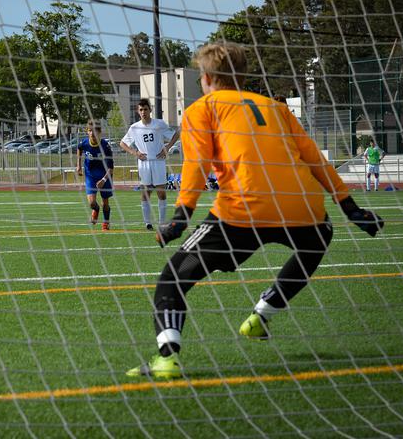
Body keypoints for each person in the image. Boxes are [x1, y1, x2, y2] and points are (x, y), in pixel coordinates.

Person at [127, 43, 384, 380]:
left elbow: (196, 165)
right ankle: (261, 316)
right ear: (242, 75)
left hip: (243, 210)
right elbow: (314, 158)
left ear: (205, 78)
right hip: (302, 207)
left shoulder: (201, 109)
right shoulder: (276, 107)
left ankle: (167, 358)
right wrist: (350, 208)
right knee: (320, 236)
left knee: (172, 280)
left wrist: (180, 217)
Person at [119, 99, 179, 230]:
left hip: (158, 162)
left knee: (161, 193)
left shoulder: (159, 124)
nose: (143, 112)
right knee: (146, 192)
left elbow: (175, 134)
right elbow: (122, 143)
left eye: (145, 109)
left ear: (150, 110)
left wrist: (167, 147)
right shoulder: (134, 128)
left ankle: (162, 222)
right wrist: (135, 152)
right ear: (137, 112)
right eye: (141, 110)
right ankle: (148, 223)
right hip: (144, 163)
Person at [77, 122, 114, 231]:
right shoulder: (84, 143)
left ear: (99, 132)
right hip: (90, 175)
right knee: (92, 203)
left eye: (95, 130)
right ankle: (96, 210)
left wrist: (103, 179)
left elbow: (111, 168)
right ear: (87, 131)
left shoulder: (105, 146)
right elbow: (79, 149)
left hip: (105, 175)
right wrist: (78, 165)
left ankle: (106, 223)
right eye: (90, 130)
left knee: (105, 203)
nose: (92, 133)